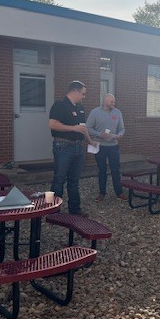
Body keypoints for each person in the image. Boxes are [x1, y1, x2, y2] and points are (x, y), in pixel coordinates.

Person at [49, 81, 97, 217]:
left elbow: (83, 128)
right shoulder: (59, 105)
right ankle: (53, 211)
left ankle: (74, 210)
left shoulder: (80, 108)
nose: (84, 96)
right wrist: (72, 128)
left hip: (78, 147)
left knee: (74, 180)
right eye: (83, 94)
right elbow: (52, 124)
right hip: (63, 146)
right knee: (59, 179)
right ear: (75, 91)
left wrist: (90, 141)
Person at [86, 93, 128, 202]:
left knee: (115, 169)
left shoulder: (117, 112)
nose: (113, 104)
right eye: (111, 102)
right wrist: (100, 134)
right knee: (102, 170)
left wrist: (120, 135)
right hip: (100, 146)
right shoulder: (95, 112)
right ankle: (102, 193)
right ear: (105, 102)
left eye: (114, 102)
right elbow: (88, 128)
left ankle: (119, 192)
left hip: (113, 146)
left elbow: (122, 128)